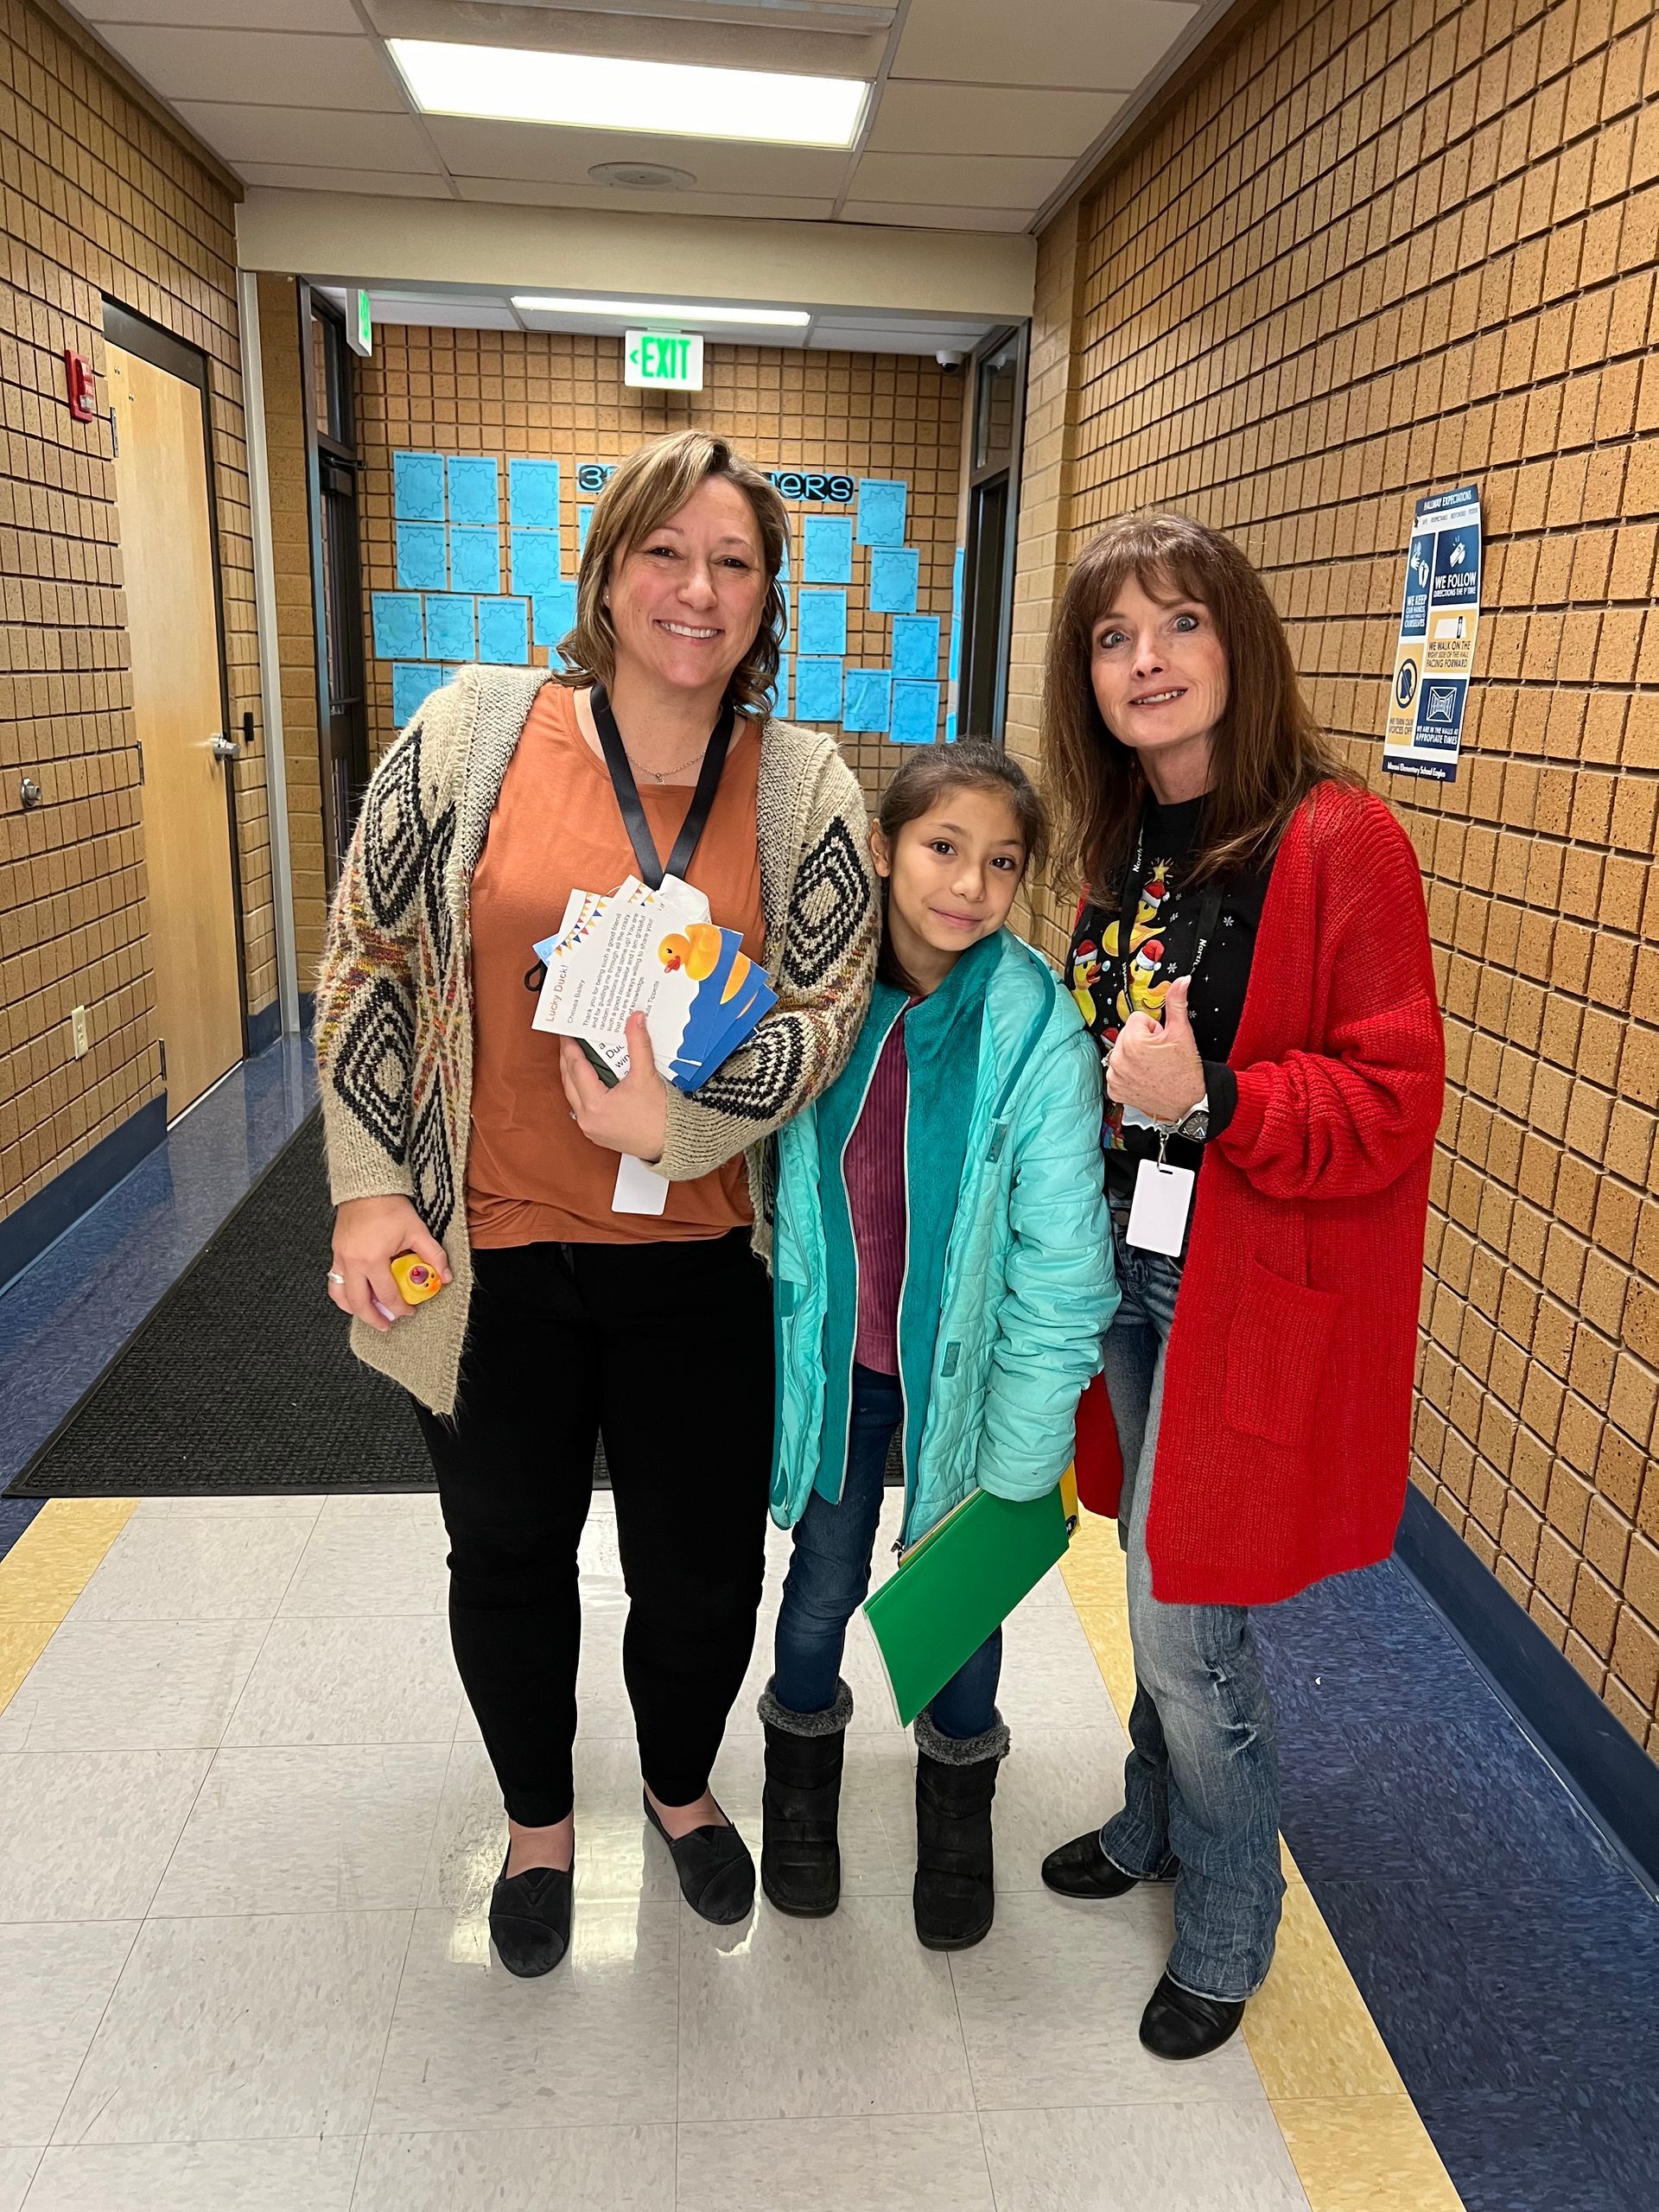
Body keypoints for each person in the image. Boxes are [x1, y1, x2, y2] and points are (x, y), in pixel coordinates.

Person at [315, 429, 878, 1978]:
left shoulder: (802, 778)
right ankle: (540, 1825)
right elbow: (375, 951)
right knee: (505, 1552)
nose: (697, 590)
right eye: (665, 554)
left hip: (703, 1259)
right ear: (608, 569)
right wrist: (370, 1191)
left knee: (698, 1574)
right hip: (490, 1250)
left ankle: (683, 1790)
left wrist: (688, 1118)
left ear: (768, 597)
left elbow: (827, 1002)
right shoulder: (473, 731)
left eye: (735, 563)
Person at [1038, 513, 1443, 2059]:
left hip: (1244, 1293)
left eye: (1178, 625)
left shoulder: (1341, 843)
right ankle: (1152, 1823)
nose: (1146, 661)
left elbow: (1396, 1096)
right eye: (1113, 638)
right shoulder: (1126, 836)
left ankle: (1227, 1918)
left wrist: (1218, 1106)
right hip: (1132, 1278)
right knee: (1157, 1585)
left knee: (1187, 1622)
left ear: (1238, 646)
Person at [758, 741, 1118, 1951]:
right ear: (883, 851)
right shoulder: (816, 999)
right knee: (821, 1589)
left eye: (1001, 863)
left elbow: (1065, 1265)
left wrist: (1026, 1447)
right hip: (843, 1365)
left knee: (964, 1612)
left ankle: (956, 1811)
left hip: (971, 1379)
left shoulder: (1036, 1035)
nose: (967, 885)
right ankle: (799, 1788)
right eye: (941, 848)